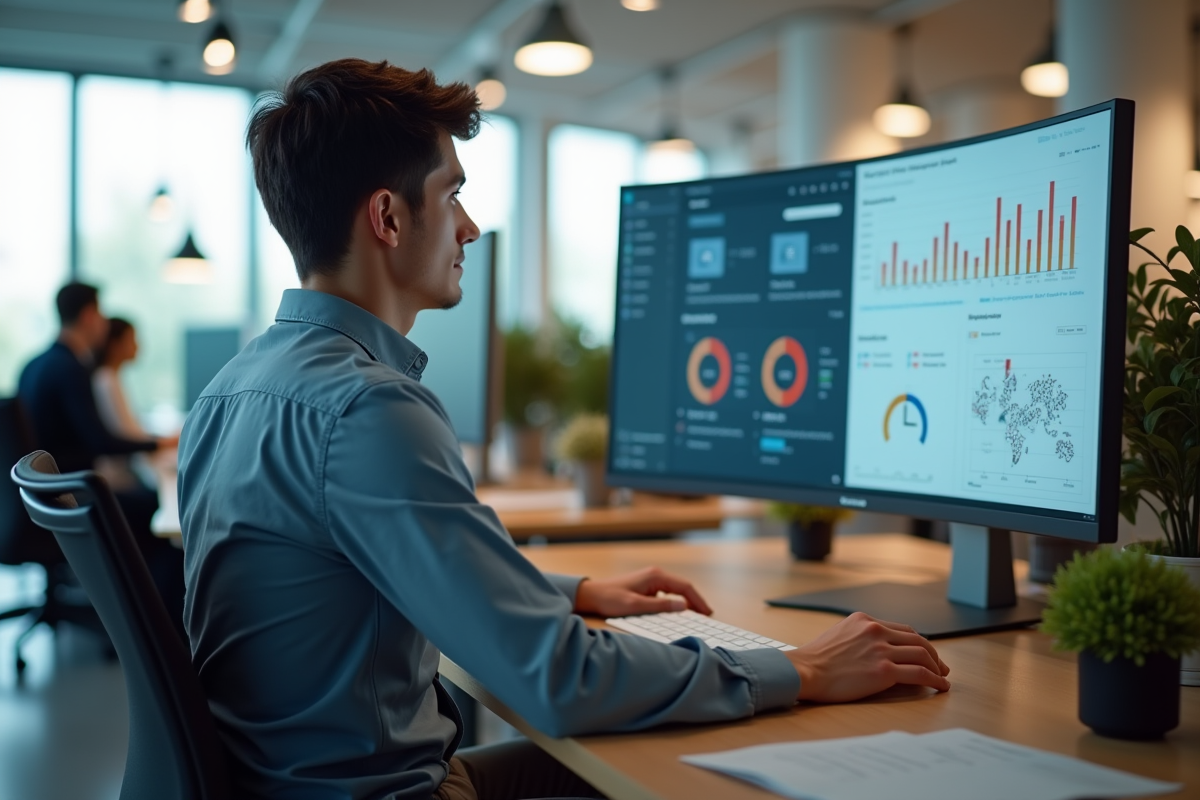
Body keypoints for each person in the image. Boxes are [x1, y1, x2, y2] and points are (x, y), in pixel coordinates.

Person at [178, 59, 951, 800]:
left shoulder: (230, 393)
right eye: (453, 196)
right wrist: (804, 671)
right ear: (387, 216)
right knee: (699, 772)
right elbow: (555, 678)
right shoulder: (368, 411)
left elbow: (357, 568)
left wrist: (577, 592)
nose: (470, 227)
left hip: (288, 784)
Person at [18, 283, 185, 632]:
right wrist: (158, 445)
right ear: (90, 316)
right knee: (165, 519)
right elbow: (99, 441)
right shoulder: (71, 369)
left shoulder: (33, 366)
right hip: (72, 495)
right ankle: (162, 628)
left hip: (36, 500)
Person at [92, 317, 155, 491]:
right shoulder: (105, 380)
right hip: (116, 476)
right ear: (114, 344)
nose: (137, 346)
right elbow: (127, 432)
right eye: (132, 339)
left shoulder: (112, 377)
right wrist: (162, 442)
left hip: (126, 469)